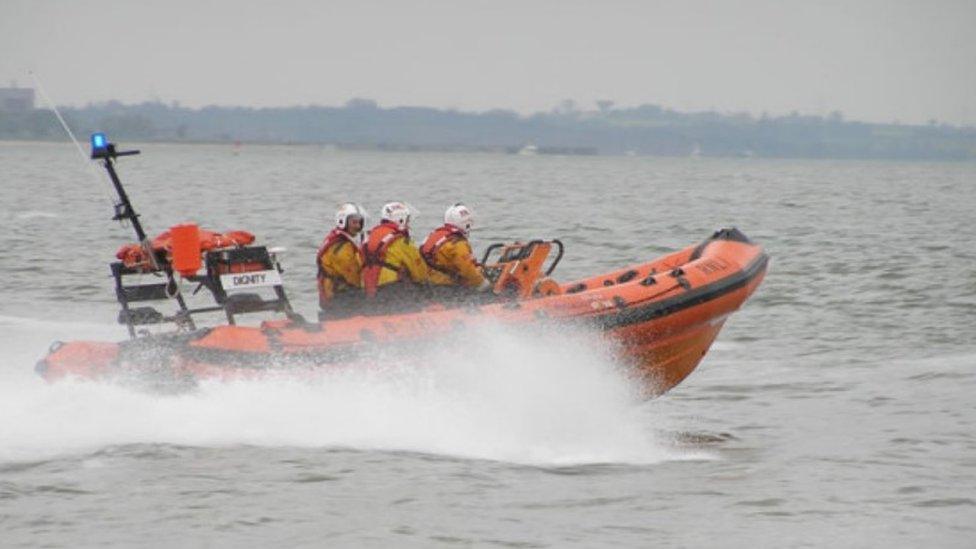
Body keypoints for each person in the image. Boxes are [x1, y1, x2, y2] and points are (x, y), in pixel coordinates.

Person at [361, 202, 429, 309]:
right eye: (407, 221)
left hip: (368, 289)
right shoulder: (401, 241)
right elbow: (419, 271)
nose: (408, 225)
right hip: (392, 289)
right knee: (423, 293)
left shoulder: (370, 236)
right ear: (400, 220)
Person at [422, 203, 490, 298]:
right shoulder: (458, 244)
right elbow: (468, 269)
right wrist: (483, 283)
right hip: (444, 286)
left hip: (428, 283)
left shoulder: (434, 235)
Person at [316, 203, 365, 319]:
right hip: (339, 297)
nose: (358, 226)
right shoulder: (341, 247)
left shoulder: (337, 240)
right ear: (343, 222)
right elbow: (353, 277)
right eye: (354, 222)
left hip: (336, 294)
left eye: (359, 222)